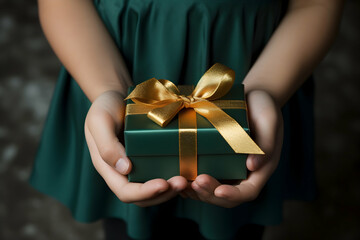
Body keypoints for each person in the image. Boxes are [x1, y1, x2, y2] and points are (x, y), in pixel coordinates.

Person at [30, 0, 344, 239]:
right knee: (127, 223)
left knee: (238, 224)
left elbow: (316, 4)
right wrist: (109, 90)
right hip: (106, 61)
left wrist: (265, 91)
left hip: (263, 65)